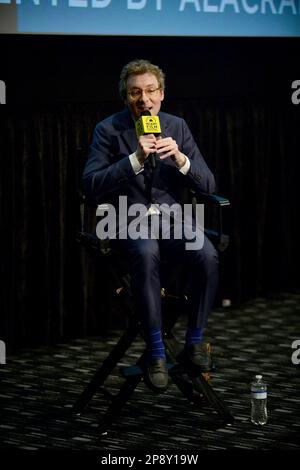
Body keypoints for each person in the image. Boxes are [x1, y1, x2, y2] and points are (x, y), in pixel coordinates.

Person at [82, 59, 218, 392]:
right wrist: (133, 161)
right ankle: (157, 352)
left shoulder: (177, 126)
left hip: (173, 221)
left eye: (150, 91)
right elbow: (90, 184)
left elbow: (210, 186)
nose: (144, 100)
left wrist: (182, 161)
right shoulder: (108, 130)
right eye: (135, 93)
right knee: (145, 254)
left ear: (162, 94)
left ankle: (196, 339)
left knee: (206, 254)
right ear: (126, 97)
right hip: (128, 219)